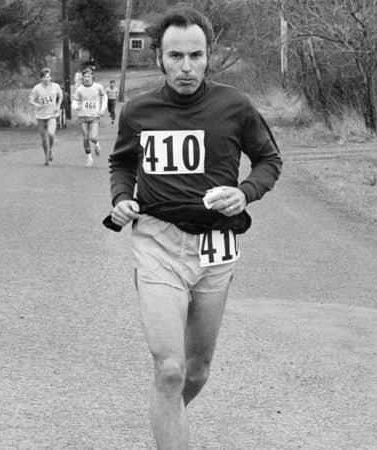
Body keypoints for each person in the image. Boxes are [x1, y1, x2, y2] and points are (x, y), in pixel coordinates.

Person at [106, 4, 282, 448]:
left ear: (209, 55)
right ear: (159, 58)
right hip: (158, 242)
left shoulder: (236, 106)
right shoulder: (139, 111)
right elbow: (123, 164)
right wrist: (122, 199)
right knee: (169, 369)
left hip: (216, 245)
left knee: (197, 370)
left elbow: (268, 161)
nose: (187, 67)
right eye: (176, 56)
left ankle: (166, 422)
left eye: (196, 56)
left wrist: (245, 192)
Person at [72, 67, 107, 167]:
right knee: (85, 138)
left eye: (88, 76)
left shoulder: (98, 87)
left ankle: (96, 143)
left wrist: (102, 109)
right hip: (83, 116)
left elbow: (104, 97)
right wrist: (76, 107)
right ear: (82, 78)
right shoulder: (80, 89)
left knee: (92, 137)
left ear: (92, 77)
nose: (87, 78)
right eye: (85, 76)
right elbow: (75, 101)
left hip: (94, 116)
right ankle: (89, 158)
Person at [28, 68, 63, 165]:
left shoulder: (56, 86)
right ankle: (46, 156)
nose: (46, 79)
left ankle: (50, 150)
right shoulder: (37, 88)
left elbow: (60, 96)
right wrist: (35, 104)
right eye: (44, 77)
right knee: (44, 139)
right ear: (41, 78)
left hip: (52, 114)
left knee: (51, 134)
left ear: (50, 77)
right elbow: (30, 100)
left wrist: (58, 105)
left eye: (48, 77)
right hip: (40, 116)